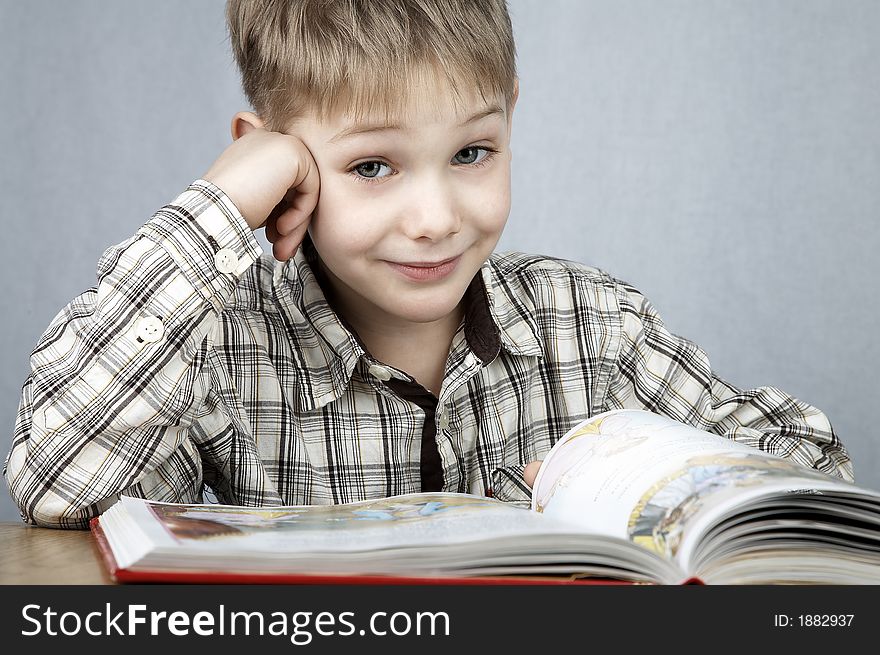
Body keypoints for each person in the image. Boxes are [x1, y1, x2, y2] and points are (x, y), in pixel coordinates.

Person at [4, 0, 852, 529]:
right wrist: (222, 208)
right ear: (271, 157)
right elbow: (54, 482)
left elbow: (809, 464)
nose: (438, 218)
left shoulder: (593, 326)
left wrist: (642, 477)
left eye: (474, 151)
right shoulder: (218, 355)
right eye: (374, 166)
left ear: (510, 121)